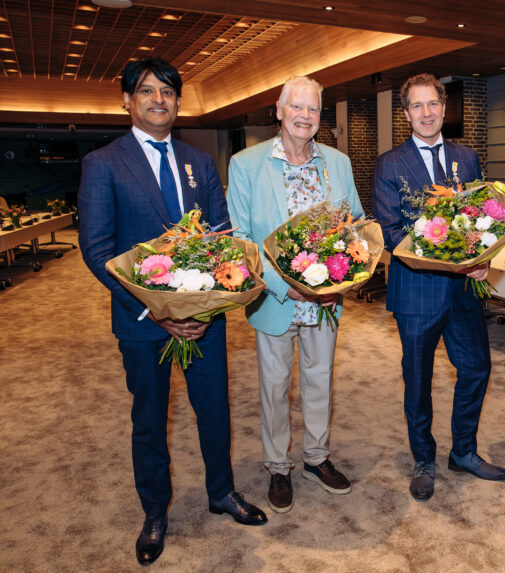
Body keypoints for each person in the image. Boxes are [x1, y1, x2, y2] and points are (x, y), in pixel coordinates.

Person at [78, 57, 266, 566]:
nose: (158, 100)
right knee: (149, 419)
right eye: (146, 90)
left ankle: (221, 492)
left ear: (178, 102)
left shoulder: (197, 161)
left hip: (204, 319)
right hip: (142, 323)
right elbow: (97, 249)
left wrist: (208, 305)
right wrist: (155, 311)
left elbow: (221, 235)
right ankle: (155, 511)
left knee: (215, 410)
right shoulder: (103, 163)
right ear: (127, 100)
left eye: (167, 91)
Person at [226, 76, 362, 514]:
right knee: (275, 386)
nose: (305, 116)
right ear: (279, 111)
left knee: (320, 380)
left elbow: (356, 223)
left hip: (325, 299)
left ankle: (316, 458)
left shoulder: (337, 163)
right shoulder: (246, 164)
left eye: (313, 109)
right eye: (297, 107)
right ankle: (278, 465)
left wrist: (348, 273)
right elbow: (241, 239)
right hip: (276, 298)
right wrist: (284, 284)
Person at [372, 73, 505, 501]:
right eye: (417, 105)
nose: (426, 112)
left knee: (477, 369)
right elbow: (390, 231)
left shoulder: (467, 158)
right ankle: (424, 458)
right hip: (415, 291)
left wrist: (480, 258)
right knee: (418, 381)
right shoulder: (390, 163)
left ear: (444, 108)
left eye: (433, 104)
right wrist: (447, 254)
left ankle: (463, 451)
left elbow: (483, 218)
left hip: (463, 292)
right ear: (406, 113)